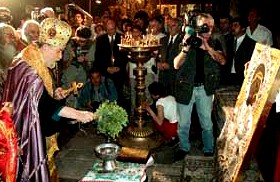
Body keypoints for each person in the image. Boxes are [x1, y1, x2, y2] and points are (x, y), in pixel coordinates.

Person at [1, 18, 95, 181]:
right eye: (59, 50)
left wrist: (55, 96)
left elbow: (39, 100)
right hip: (22, 138)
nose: (60, 57)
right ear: (46, 46)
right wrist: (80, 115)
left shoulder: (28, 58)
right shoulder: (30, 72)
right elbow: (45, 107)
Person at [173, 13, 226, 160]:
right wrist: (186, 48)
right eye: (205, 27)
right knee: (183, 123)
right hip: (185, 87)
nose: (208, 31)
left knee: (207, 123)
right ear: (197, 27)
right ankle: (184, 147)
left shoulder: (215, 42)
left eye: (210, 27)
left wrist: (207, 47)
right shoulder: (184, 39)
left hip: (204, 88)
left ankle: (208, 148)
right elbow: (176, 65)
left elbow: (222, 61)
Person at [221, 16, 256, 86]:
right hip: (229, 77)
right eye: (232, 26)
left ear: (243, 28)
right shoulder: (228, 42)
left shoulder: (251, 44)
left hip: (242, 78)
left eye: (236, 25)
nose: (232, 28)